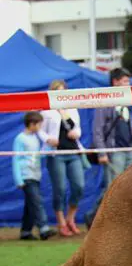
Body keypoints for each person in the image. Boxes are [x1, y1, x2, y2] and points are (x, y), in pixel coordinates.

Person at [85, 67, 132, 228]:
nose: (128, 84)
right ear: (115, 82)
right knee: (112, 187)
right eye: (124, 81)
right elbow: (97, 129)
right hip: (114, 151)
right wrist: (102, 152)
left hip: (129, 149)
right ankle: (94, 217)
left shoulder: (127, 101)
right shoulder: (105, 101)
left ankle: (127, 221)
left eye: (128, 81)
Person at [40, 80, 86, 237]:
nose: (61, 94)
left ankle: (70, 218)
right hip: (56, 154)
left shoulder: (72, 108)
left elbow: (78, 128)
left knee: (78, 186)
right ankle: (61, 223)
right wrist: (47, 139)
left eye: (63, 91)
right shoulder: (46, 110)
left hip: (73, 152)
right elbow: (40, 130)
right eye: (58, 91)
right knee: (59, 189)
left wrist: (76, 133)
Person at [12, 112, 56, 241]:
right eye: (39, 125)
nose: (40, 127)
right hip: (26, 176)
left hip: (35, 176)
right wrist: (18, 179)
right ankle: (44, 228)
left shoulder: (35, 138)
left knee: (30, 204)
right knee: (37, 202)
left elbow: (38, 155)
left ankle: (25, 232)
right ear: (32, 124)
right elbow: (16, 159)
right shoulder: (20, 139)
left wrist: (49, 147)